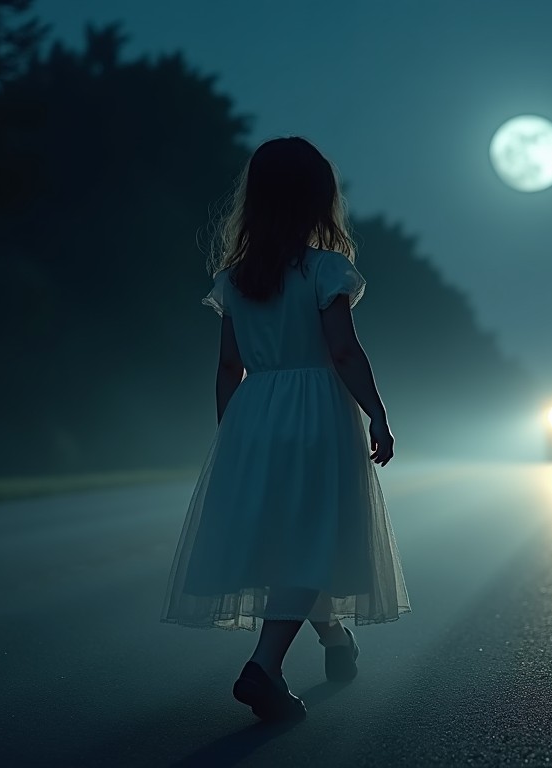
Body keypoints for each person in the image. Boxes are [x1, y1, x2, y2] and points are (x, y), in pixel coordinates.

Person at [160, 137, 411, 723]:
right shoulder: (325, 270)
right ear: (318, 201)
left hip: (256, 409)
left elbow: (228, 365)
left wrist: (235, 432)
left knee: (291, 539)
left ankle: (334, 639)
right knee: (314, 536)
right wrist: (377, 412)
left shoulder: (236, 279)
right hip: (317, 411)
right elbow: (343, 353)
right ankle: (264, 668)